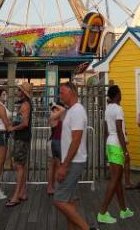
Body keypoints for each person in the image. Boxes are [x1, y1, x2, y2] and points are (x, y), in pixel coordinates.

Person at [52, 82, 96, 230]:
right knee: (69, 199)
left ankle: (87, 228)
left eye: (62, 92)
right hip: (72, 161)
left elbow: (76, 140)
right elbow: (53, 121)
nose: (60, 95)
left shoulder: (77, 111)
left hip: (74, 162)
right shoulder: (71, 110)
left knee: (59, 199)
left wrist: (64, 166)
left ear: (72, 92)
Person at [98, 85, 133, 224]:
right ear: (117, 94)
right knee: (115, 179)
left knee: (117, 179)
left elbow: (108, 130)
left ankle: (124, 210)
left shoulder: (108, 109)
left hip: (110, 143)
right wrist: (125, 151)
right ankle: (102, 212)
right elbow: (119, 130)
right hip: (117, 144)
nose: (122, 95)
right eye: (121, 92)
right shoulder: (118, 109)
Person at [6, 82, 32, 207]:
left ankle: (16, 195)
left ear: (23, 92)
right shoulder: (24, 104)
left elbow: (25, 123)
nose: (17, 92)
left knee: (19, 166)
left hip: (21, 138)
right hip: (22, 137)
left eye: (19, 90)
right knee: (22, 165)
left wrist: (13, 128)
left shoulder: (25, 105)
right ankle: (22, 192)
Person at [47, 98, 65, 196]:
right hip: (54, 142)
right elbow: (63, 110)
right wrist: (55, 105)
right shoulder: (54, 115)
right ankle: (53, 187)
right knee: (56, 166)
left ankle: (52, 187)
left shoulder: (55, 116)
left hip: (53, 142)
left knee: (53, 166)